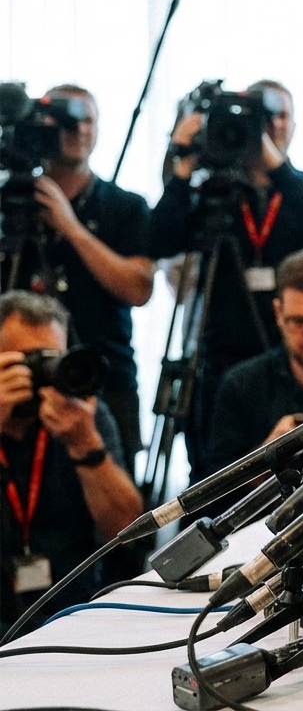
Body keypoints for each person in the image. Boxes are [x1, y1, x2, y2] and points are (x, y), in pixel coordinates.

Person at [150, 79, 303, 483]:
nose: (270, 127)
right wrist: (182, 159)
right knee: (214, 476)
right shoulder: (212, 192)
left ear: (294, 124)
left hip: (293, 354)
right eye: (262, 119)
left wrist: (274, 166)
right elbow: (159, 238)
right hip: (220, 355)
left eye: (279, 116)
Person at [0, 84, 154, 463]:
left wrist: (71, 228)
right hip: (14, 377)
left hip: (103, 374)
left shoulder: (126, 207)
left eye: (87, 121)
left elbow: (139, 289)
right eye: (66, 121)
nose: (78, 130)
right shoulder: (9, 203)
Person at [0, 291, 142, 636]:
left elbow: (129, 533)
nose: (43, 373)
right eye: (28, 361)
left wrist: (85, 444)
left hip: (73, 616)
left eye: (52, 358)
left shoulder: (82, 415)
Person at [210, 250, 303, 474]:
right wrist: (266, 457)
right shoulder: (242, 385)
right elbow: (215, 495)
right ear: (278, 312)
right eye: (300, 322)